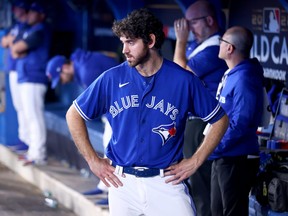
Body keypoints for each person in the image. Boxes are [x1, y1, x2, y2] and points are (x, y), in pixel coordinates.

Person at [66, 8, 228, 216]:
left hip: (166, 181)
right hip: (122, 183)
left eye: (131, 42)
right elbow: (74, 114)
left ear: (150, 41)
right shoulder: (111, 78)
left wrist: (195, 160)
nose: (124, 49)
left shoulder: (183, 80)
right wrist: (92, 160)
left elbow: (220, 119)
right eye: (123, 42)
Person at [173, 1, 228, 215]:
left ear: (210, 21)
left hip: (204, 123)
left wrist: (180, 41)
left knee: (201, 186)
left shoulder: (215, 47)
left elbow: (180, 74)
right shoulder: (200, 45)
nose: (188, 28)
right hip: (195, 123)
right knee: (194, 186)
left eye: (192, 23)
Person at [46, 48, 119, 206]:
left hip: (119, 113)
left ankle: (114, 192)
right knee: (109, 148)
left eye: (61, 77)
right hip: (113, 111)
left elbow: (110, 96)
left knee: (113, 150)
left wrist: (113, 120)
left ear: (64, 68)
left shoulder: (86, 70)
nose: (62, 81)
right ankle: (105, 187)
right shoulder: (80, 65)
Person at [210, 26, 264, 216]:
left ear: (230, 48)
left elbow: (241, 122)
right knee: (216, 211)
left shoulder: (244, 77)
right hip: (222, 154)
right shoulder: (233, 73)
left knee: (233, 212)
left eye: (222, 41)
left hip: (236, 157)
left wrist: (215, 145)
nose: (219, 45)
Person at [10, 2, 51, 165]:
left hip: (35, 77)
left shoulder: (41, 29)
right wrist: (17, 50)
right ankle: (33, 151)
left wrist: (17, 50)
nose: (31, 15)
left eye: (35, 12)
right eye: (31, 12)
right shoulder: (28, 28)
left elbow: (18, 47)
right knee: (28, 114)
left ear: (42, 15)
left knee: (34, 116)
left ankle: (38, 154)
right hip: (27, 76)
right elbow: (14, 48)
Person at [0, 1, 30, 152]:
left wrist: (12, 43)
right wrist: (11, 42)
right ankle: (23, 138)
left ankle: (28, 141)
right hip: (13, 69)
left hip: (23, 71)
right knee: (19, 106)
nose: (16, 11)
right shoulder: (16, 25)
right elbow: (4, 41)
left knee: (26, 108)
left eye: (19, 8)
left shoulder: (28, 27)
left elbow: (17, 47)